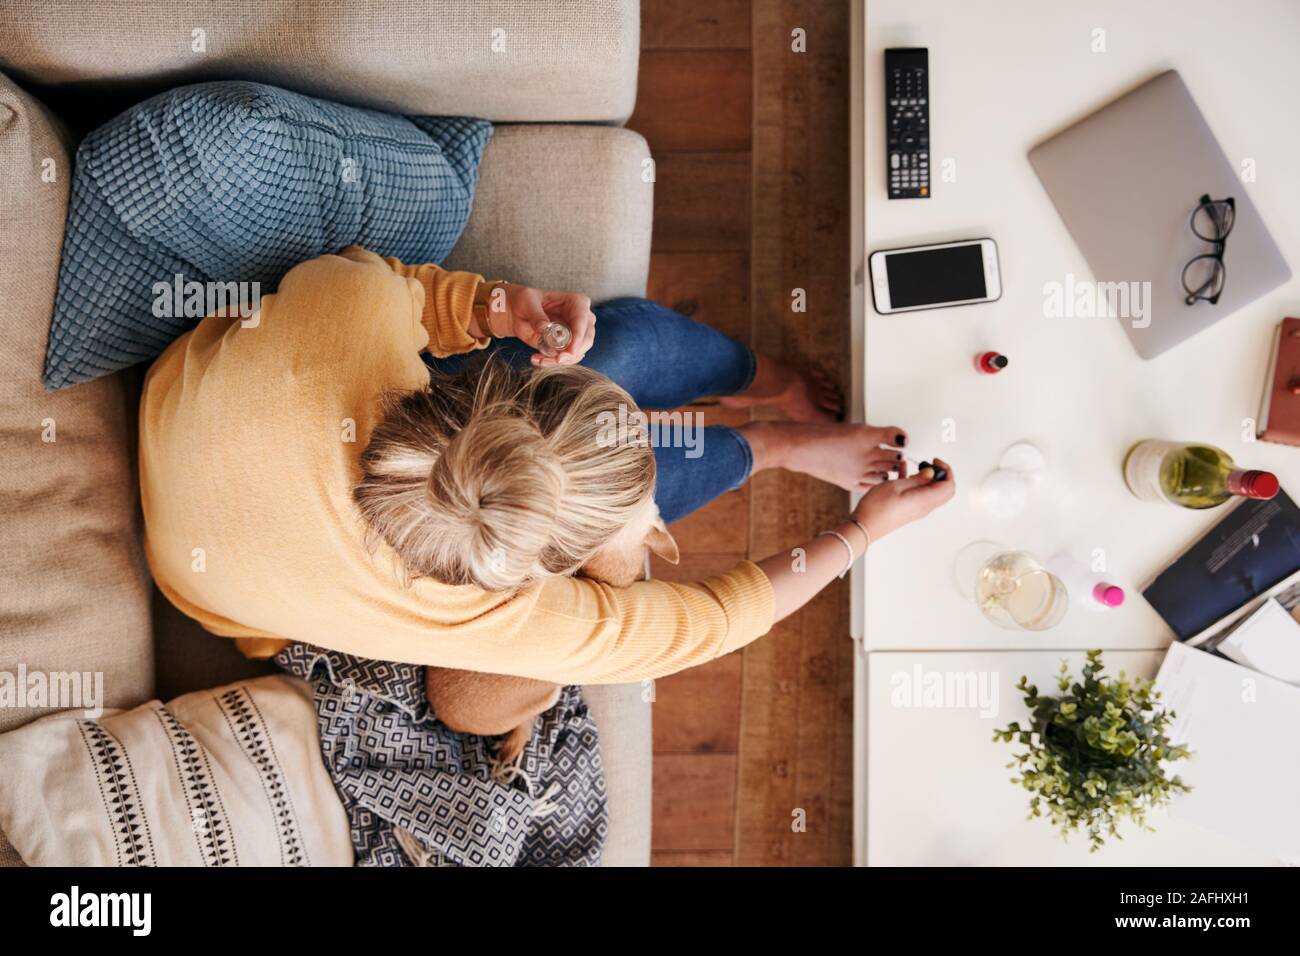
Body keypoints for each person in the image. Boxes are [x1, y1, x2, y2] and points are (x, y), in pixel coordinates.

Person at [140, 247, 953, 684]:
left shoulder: (351, 310)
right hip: (238, 596)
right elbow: (707, 626)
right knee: (632, 362)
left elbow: (401, 287)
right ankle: (776, 443)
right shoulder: (486, 620)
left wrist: (496, 303)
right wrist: (863, 528)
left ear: (514, 383)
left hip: (204, 444)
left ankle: (764, 389)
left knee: (627, 351)